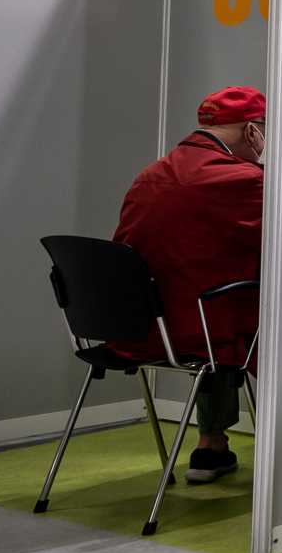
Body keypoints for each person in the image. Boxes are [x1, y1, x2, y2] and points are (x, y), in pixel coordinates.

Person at [111, 86, 266, 486]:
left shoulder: (151, 174)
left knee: (215, 309)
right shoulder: (243, 180)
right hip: (196, 333)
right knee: (264, 317)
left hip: (138, 328)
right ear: (252, 132)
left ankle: (211, 445)